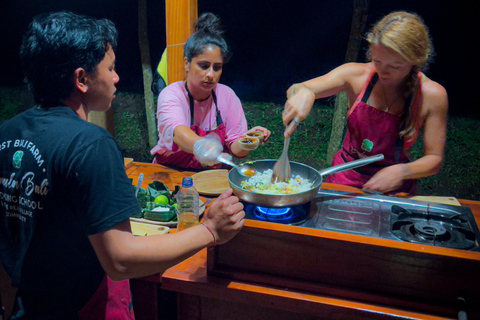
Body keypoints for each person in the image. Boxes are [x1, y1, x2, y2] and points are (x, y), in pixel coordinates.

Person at [0, 11, 245, 319]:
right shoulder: (91, 146)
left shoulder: (7, 134)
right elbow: (121, 260)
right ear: (81, 79)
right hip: (85, 306)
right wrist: (210, 230)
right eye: (110, 68)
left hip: (28, 306)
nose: (116, 78)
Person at [282, 11, 447, 195]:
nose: (383, 71)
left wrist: (402, 171)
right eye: (377, 61)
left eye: (394, 66)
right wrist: (304, 93)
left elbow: (434, 158)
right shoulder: (355, 76)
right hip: (343, 181)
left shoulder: (432, 95)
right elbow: (296, 89)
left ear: (415, 61)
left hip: (393, 190)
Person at [150, 12, 271, 169]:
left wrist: (247, 142)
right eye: (203, 65)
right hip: (171, 173)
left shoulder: (227, 96)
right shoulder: (172, 94)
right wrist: (206, 148)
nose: (210, 74)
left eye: (217, 67)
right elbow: (177, 133)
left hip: (212, 178)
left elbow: (236, 150)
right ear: (187, 64)